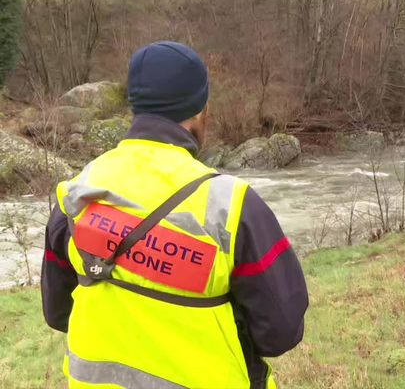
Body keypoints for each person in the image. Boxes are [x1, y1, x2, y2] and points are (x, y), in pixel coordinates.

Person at [41, 41, 309, 389]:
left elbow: (58, 312)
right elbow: (281, 332)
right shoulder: (233, 206)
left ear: (134, 106)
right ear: (200, 110)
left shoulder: (75, 192)